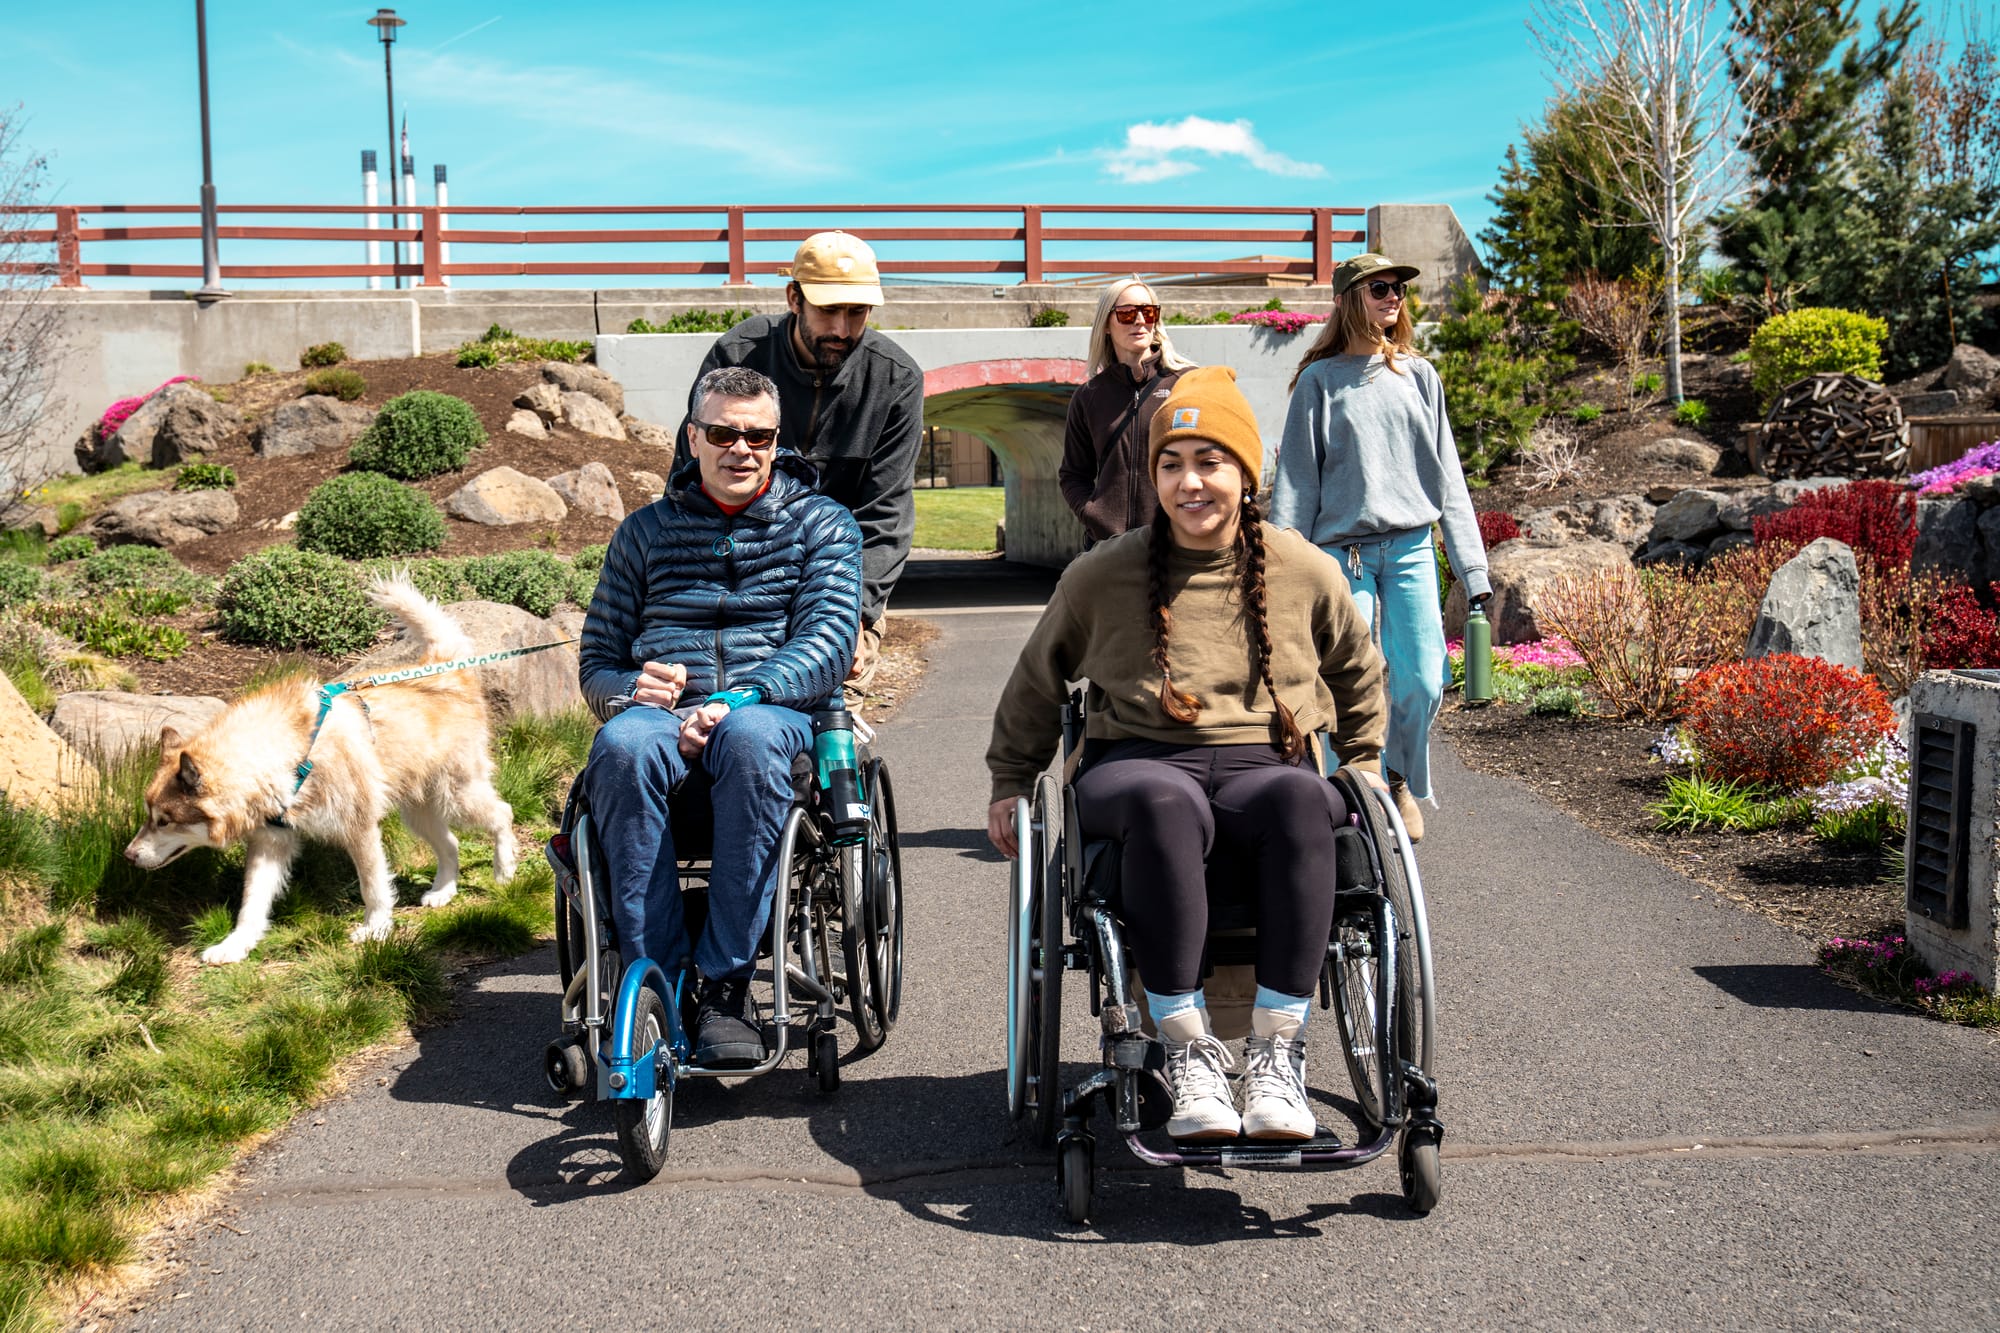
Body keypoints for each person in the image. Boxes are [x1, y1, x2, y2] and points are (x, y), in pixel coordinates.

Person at [986, 367, 1387, 1143]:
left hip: (1264, 762)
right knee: (1168, 804)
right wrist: (1011, 780)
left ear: (1245, 472)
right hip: (1136, 763)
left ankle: (1276, 1052)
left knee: (1305, 799)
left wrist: (1366, 763)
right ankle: (1188, 1049)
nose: (1190, 482)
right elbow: (1037, 680)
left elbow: (1359, 669)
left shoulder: (1300, 566)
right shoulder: (1105, 572)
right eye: (1172, 464)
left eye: (1210, 462)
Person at [581, 365, 862, 1068]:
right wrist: (630, 689)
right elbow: (597, 660)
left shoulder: (822, 525)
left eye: (759, 435)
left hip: (772, 714)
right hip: (663, 722)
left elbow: (827, 643)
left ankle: (726, 984)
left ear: (776, 441)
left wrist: (737, 697)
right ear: (692, 437)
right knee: (619, 745)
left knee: (751, 737)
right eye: (723, 433)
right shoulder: (642, 533)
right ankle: (657, 982)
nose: (742, 448)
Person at [1268, 253, 1491, 843]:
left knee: (1422, 679)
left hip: (1413, 549)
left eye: (1398, 289)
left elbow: (1448, 476)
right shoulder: (1318, 382)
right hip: (1343, 556)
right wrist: (1282, 573)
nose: (1394, 297)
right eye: (1380, 289)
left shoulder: (1419, 376)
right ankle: (1351, 797)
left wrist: (1472, 569)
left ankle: (1395, 776)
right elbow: (1295, 482)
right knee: (1347, 679)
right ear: (1348, 300)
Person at [679, 231, 923, 696]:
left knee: (831, 727)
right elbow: (692, 481)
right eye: (829, 309)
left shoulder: (896, 380)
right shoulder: (736, 355)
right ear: (794, 297)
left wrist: (856, 615)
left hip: (841, 575)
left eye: (857, 312)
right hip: (737, 569)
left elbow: (885, 515)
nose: (843, 329)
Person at [1057, 278, 1198, 545]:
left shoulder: (1187, 383)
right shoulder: (1089, 396)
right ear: (1106, 324)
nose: (1140, 320)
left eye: (1149, 312)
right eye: (1127, 313)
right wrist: (1094, 516)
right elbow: (1073, 474)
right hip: (1110, 548)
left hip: (1174, 546)